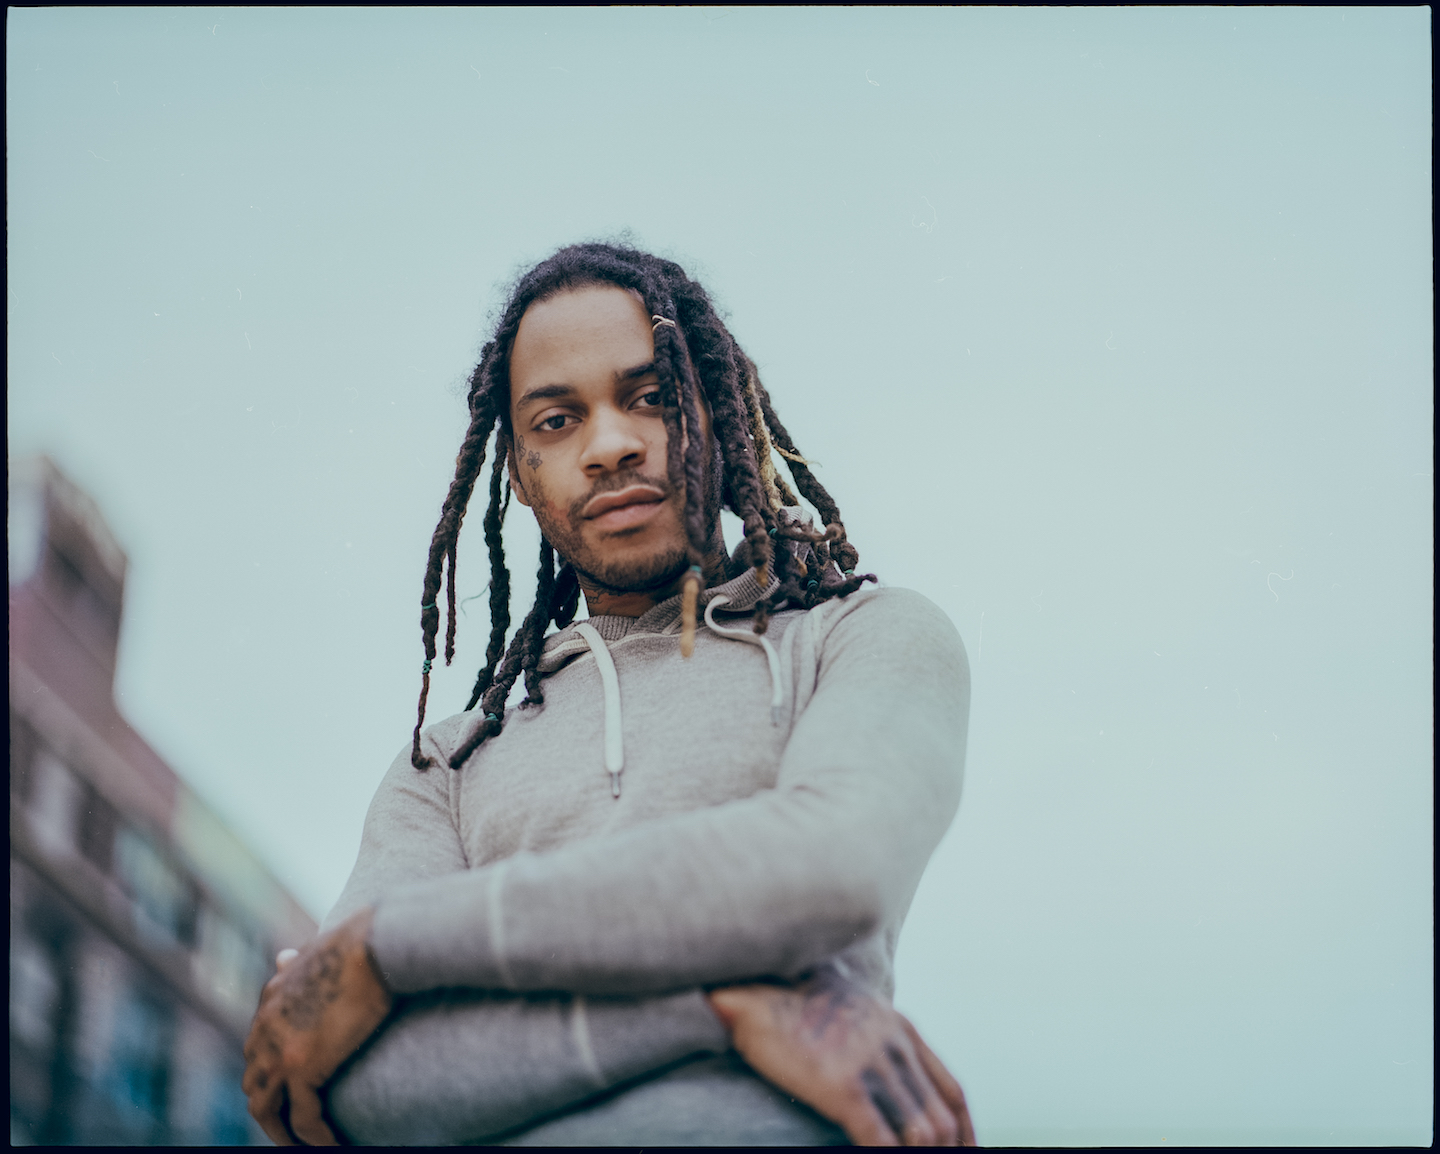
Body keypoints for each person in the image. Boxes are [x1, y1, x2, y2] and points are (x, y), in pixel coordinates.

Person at [242, 242, 975, 1146]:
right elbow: (344, 1082)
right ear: (519, 474)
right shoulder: (448, 768)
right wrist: (727, 1008)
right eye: (557, 420)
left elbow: (832, 868)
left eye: (653, 397)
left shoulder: (862, 636)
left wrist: (382, 949)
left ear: (722, 412)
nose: (611, 445)